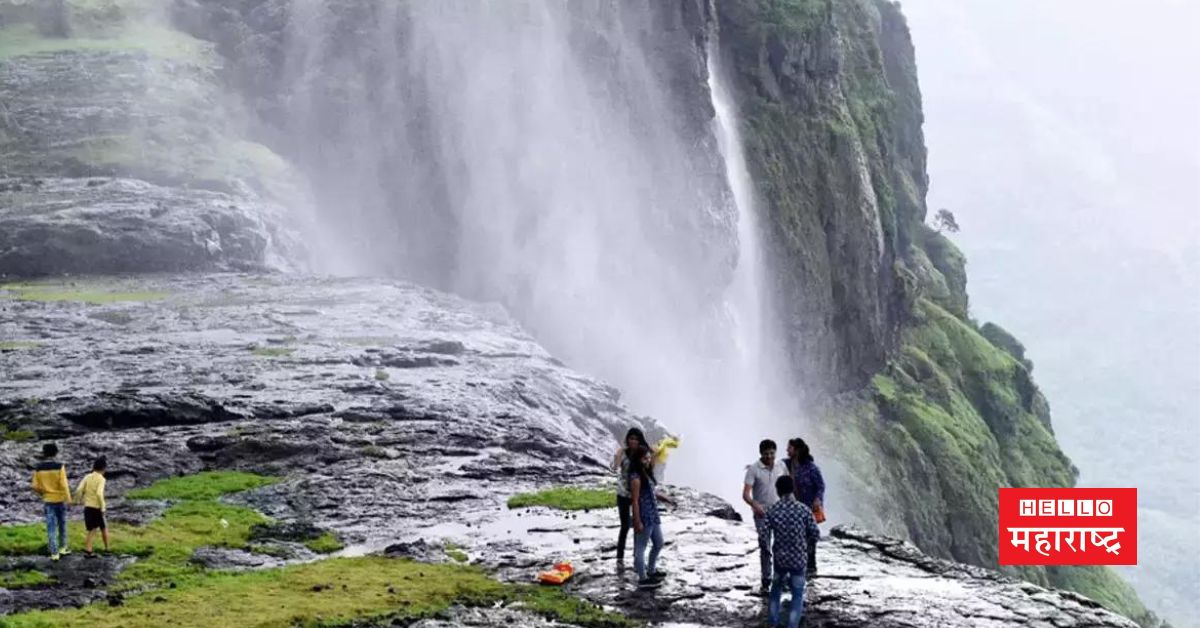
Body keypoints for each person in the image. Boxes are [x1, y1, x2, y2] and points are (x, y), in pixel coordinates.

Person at [765, 475, 820, 628]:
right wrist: (806, 548)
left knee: (775, 591)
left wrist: (768, 552)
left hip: (780, 560)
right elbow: (815, 533)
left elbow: (763, 536)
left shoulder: (772, 510)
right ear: (793, 489)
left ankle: (772, 623)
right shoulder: (804, 510)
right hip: (798, 560)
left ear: (777, 491)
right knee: (797, 595)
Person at [743, 439, 788, 593]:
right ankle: (766, 580)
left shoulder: (781, 466)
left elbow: (788, 485)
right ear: (760, 454)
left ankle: (781, 578)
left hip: (779, 511)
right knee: (765, 546)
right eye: (766, 454)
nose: (769, 456)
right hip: (761, 513)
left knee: (781, 546)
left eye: (772, 453)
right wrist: (755, 505)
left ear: (775, 452)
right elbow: (745, 494)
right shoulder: (754, 469)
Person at [786, 438, 825, 574]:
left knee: (809, 536)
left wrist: (818, 500)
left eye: (789, 448)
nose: (787, 450)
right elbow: (772, 467)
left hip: (809, 507)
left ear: (796, 450)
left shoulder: (811, 467)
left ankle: (811, 566)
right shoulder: (787, 464)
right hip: (794, 507)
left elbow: (820, 486)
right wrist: (756, 468)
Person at [629, 445, 665, 588]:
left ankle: (651, 570)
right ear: (638, 460)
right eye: (645, 458)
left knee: (659, 542)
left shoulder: (645, 473)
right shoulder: (635, 478)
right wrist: (637, 521)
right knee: (641, 547)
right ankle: (643, 579)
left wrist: (666, 499)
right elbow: (635, 501)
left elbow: (651, 492)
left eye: (649, 458)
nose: (648, 460)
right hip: (644, 515)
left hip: (653, 513)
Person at [31, 443, 72, 560]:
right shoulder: (60, 466)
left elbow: (34, 486)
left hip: (48, 500)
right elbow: (64, 484)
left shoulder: (38, 468)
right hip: (60, 499)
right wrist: (68, 498)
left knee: (51, 527)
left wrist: (42, 493)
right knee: (62, 524)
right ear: (56, 453)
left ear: (44, 453)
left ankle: (54, 553)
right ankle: (63, 548)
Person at [612, 427, 647, 562]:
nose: (633, 441)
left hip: (637, 493)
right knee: (625, 526)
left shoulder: (641, 454)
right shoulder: (623, 452)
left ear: (639, 441)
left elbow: (648, 468)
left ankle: (636, 556)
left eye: (636, 439)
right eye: (631, 438)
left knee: (638, 526)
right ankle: (619, 559)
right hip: (623, 493)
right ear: (627, 439)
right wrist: (616, 460)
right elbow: (615, 467)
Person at [74, 456, 109, 556]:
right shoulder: (101, 479)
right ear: (104, 468)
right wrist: (102, 507)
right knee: (98, 528)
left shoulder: (87, 477)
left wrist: (76, 500)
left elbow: (78, 490)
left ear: (93, 467)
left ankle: (95, 549)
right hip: (97, 508)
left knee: (95, 528)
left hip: (87, 507)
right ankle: (91, 549)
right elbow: (99, 493)